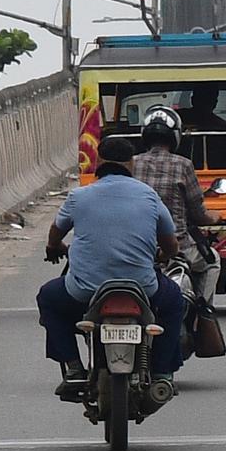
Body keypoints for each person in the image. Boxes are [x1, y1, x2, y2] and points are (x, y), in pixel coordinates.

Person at [36, 137, 186, 394]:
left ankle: (73, 367)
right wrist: (163, 254)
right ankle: (162, 372)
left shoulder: (79, 196)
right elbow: (171, 244)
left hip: (85, 291)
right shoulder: (149, 196)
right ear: (131, 163)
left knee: (48, 298)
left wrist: (54, 249)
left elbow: (55, 233)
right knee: (175, 302)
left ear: (98, 161)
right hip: (143, 290)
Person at [134, 106, 223, 309]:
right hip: (178, 247)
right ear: (175, 135)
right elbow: (199, 214)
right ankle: (201, 309)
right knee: (213, 261)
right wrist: (215, 217)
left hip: (138, 246)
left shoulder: (132, 163)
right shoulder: (183, 164)